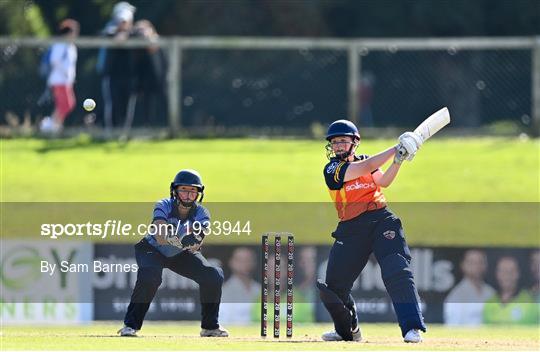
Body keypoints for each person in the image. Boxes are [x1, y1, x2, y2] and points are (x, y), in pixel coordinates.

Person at [318, 119, 426, 342]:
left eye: (343, 141)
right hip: (351, 227)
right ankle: (348, 330)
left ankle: (411, 328)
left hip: (381, 220)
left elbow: (384, 181)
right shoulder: (332, 169)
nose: (338, 145)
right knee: (334, 287)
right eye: (334, 142)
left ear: (354, 143)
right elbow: (362, 170)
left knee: (397, 268)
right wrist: (397, 148)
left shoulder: (367, 160)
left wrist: (398, 160)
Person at [117, 169, 228, 337]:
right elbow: (160, 236)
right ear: (175, 190)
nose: (188, 195)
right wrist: (181, 238)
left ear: (199, 193)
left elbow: (198, 241)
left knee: (213, 275)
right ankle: (130, 326)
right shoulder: (163, 204)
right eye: (184, 189)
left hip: (180, 253)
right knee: (150, 277)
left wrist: (194, 241)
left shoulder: (202, 212)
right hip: (151, 249)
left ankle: (210, 327)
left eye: (193, 191)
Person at [97, 1, 136, 136]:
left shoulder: (134, 34)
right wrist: (118, 36)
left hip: (130, 76)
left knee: (127, 106)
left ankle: (124, 133)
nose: (123, 24)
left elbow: (140, 35)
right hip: (112, 76)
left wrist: (126, 35)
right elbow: (106, 35)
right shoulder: (109, 32)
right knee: (113, 104)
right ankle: (112, 132)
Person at [39, 19, 79, 134]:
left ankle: (54, 126)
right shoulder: (60, 44)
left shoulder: (71, 46)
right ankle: (49, 126)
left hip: (66, 81)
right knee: (65, 105)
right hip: (58, 80)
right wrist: (65, 72)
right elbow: (54, 60)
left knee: (67, 105)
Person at [443, 249, 496, 326]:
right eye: (472, 263)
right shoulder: (456, 296)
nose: (476, 266)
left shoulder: (491, 292)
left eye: (480, 262)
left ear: (485, 265)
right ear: (463, 265)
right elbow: (452, 330)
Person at [483, 256, 538, 325]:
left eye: (511, 271)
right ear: (497, 274)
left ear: (517, 274)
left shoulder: (530, 301)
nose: (507, 275)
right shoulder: (489, 303)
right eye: (503, 271)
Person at [220, 247, 260, 325]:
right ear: (231, 262)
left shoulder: (259, 288)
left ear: (254, 263)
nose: (244, 263)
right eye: (239, 260)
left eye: (248, 260)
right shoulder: (224, 290)